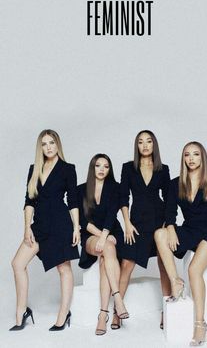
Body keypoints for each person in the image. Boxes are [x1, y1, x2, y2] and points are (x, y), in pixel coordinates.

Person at [155, 141, 207, 346]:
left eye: (196, 154)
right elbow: (169, 212)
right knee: (159, 234)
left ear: (202, 158)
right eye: (187, 155)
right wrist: (170, 228)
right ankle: (175, 281)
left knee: (194, 269)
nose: (191, 158)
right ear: (184, 159)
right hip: (189, 229)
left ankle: (200, 324)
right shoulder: (175, 183)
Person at [10, 129, 80, 331]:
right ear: (40, 147)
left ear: (58, 144)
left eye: (52, 143)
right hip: (39, 224)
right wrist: (26, 228)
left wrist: (76, 227)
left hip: (60, 224)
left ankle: (63, 313)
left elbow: (73, 200)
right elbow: (29, 200)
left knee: (63, 268)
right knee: (17, 264)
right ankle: (22, 311)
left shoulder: (68, 169)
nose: (48, 147)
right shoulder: (35, 169)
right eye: (44, 144)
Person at [111, 130, 171, 330]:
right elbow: (123, 197)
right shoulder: (128, 168)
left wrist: (167, 226)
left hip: (158, 221)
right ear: (136, 146)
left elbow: (169, 199)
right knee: (127, 263)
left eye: (149, 141)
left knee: (164, 264)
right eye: (140, 142)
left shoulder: (163, 169)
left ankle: (167, 311)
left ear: (154, 145)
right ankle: (116, 311)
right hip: (136, 222)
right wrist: (127, 223)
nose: (145, 145)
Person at [77, 153, 128, 336]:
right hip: (91, 234)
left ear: (109, 170)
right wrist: (102, 237)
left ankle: (103, 314)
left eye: (106, 166)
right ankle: (118, 299)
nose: (102, 169)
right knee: (107, 248)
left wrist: (106, 235)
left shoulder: (114, 188)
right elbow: (83, 221)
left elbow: (111, 215)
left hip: (112, 232)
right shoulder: (80, 190)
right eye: (98, 165)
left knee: (105, 256)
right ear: (92, 167)